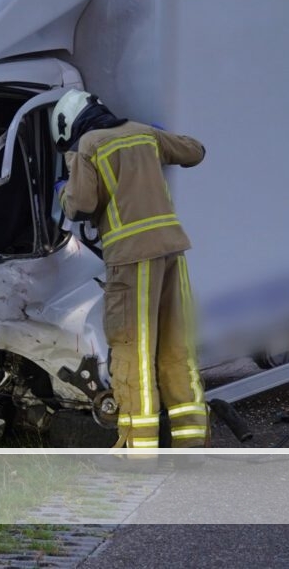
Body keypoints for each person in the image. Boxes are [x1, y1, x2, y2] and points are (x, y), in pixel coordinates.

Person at [51, 89, 208, 451]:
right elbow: (196, 151)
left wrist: (64, 190)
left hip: (131, 258)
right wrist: (157, 138)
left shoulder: (88, 145)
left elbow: (81, 205)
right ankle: (192, 445)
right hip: (172, 252)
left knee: (132, 352)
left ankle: (139, 452)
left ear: (69, 127)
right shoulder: (143, 133)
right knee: (177, 349)